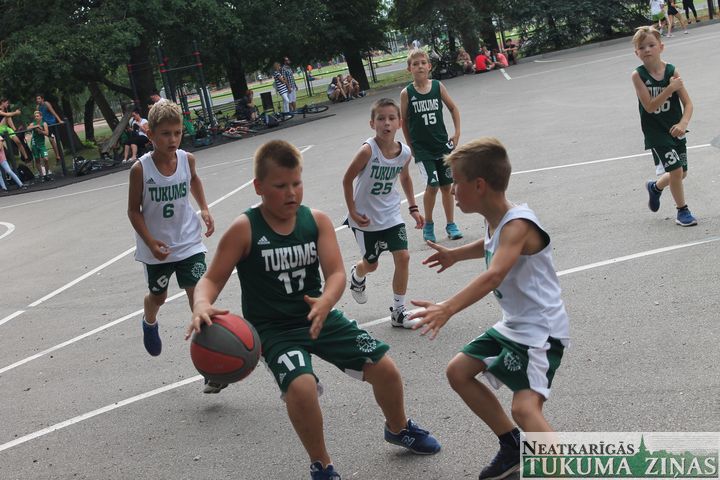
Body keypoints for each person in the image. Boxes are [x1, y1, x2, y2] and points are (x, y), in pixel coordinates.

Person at [185, 139, 440, 480]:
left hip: (319, 315)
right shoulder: (245, 228)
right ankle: (321, 463)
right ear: (259, 187)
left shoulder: (315, 221)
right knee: (302, 388)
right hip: (274, 331)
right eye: (280, 186)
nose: (291, 192)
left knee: (386, 369)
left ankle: (398, 427)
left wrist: (327, 301)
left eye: (296, 183)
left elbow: (335, 273)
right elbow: (211, 279)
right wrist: (202, 303)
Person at [409, 137, 570, 480]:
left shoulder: (518, 225)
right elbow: (491, 244)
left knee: (524, 408)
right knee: (458, 371)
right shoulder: (497, 219)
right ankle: (512, 446)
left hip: (540, 332)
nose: (452, 190)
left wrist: (447, 308)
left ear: (479, 185)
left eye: (456, 182)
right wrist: (456, 254)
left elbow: (495, 274)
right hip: (516, 325)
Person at [127, 100, 217, 391]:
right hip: (158, 248)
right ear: (150, 134)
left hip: (188, 241)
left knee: (198, 298)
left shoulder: (187, 159)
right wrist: (150, 242)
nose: (173, 139)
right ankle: (149, 320)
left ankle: (211, 366)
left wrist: (204, 208)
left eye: (177, 133)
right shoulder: (140, 169)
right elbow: (133, 211)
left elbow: (195, 180)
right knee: (159, 297)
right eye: (165, 134)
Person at [342, 98, 424, 328]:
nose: (386, 123)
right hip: (366, 219)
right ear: (372, 123)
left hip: (390, 215)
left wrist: (413, 208)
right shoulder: (367, 151)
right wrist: (352, 211)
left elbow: (405, 178)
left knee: (403, 256)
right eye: (381, 118)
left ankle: (398, 311)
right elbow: (347, 180)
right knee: (371, 265)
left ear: (399, 123)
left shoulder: (404, 152)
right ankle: (358, 275)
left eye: (391, 118)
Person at [631, 26, 696, 226]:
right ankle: (682, 211)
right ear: (636, 53)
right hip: (656, 133)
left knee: (681, 173)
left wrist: (683, 123)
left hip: (675, 129)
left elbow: (688, 104)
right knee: (676, 171)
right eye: (642, 47)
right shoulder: (638, 75)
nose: (647, 50)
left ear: (661, 47)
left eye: (651, 45)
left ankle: (655, 187)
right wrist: (669, 88)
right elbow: (650, 107)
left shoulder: (671, 71)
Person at [400, 49, 463, 242]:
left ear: (429, 66)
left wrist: (457, 132)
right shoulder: (407, 93)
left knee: (446, 186)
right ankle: (428, 224)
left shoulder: (437, 86)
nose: (419, 66)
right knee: (433, 185)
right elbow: (404, 121)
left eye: (423, 63)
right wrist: (411, 146)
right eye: (415, 64)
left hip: (442, 145)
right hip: (423, 149)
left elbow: (453, 108)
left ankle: (451, 224)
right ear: (409, 69)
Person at [35, 94, 64, 166]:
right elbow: (38, 117)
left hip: (52, 123)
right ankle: (58, 157)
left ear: (42, 99)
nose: (37, 100)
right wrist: (39, 125)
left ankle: (59, 155)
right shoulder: (38, 107)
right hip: (46, 125)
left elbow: (53, 112)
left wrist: (59, 120)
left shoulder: (46, 104)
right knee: (51, 140)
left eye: (39, 98)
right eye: (37, 99)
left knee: (56, 139)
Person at [0, 99, 31, 164]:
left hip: (6, 128)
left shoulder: (6, 110)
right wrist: (16, 113)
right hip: (0, 127)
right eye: (7, 103)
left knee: (18, 142)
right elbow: (7, 115)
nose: (8, 104)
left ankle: (26, 158)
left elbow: (9, 118)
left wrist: (14, 129)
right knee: (7, 116)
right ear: (2, 102)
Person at [27, 111, 52, 181]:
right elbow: (28, 128)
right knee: (37, 160)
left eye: (37, 116)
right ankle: (42, 175)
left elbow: (47, 133)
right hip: (34, 144)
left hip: (41, 144)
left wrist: (41, 131)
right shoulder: (33, 123)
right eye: (35, 116)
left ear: (41, 117)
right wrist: (36, 126)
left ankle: (47, 174)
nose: (36, 117)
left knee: (46, 159)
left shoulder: (44, 123)